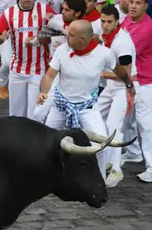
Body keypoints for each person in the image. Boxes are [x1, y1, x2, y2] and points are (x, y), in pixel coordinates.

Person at [37, 19, 135, 179]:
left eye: (71, 35)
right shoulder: (62, 50)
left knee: (103, 146)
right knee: (47, 143)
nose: (66, 37)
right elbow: (49, 75)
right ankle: (45, 176)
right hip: (61, 107)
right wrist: (43, 92)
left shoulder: (104, 54)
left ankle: (101, 178)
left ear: (82, 39)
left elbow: (121, 72)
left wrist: (129, 85)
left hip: (88, 109)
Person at [0, 0, 55, 118]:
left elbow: (57, 30)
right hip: (17, 70)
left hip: (38, 70)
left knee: (33, 114)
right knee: (15, 114)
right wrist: (2, 38)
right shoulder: (9, 13)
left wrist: (40, 37)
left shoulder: (45, 10)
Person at [120, 0, 152, 183]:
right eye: (131, 2)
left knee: (145, 123)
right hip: (132, 79)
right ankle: (133, 152)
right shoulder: (129, 19)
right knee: (128, 119)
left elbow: (124, 54)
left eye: (138, 3)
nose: (133, 6)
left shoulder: (147, 28)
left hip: (144, 81)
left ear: (146, 6)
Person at [95, 4, 136, 187]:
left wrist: (101, 74)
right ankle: (101, 162)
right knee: (93, 117)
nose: (105, 25)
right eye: (103, 21)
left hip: (124, 87)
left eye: (109, 22)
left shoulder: (123, 42)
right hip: (111, 86)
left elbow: (125, 72)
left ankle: (115, 171)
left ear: (117, 21)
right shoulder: (104, 35)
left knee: (113, 127)